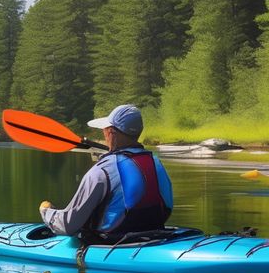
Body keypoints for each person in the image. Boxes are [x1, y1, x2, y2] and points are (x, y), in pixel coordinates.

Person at [39, 104, 173, 243]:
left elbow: (69, 225)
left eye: (105, 130)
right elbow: (168, 207)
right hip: (156, 235)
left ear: (111, 133)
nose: (104, 133)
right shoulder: (156, 163)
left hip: (112, 243)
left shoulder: (100, 171)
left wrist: (47, 212)